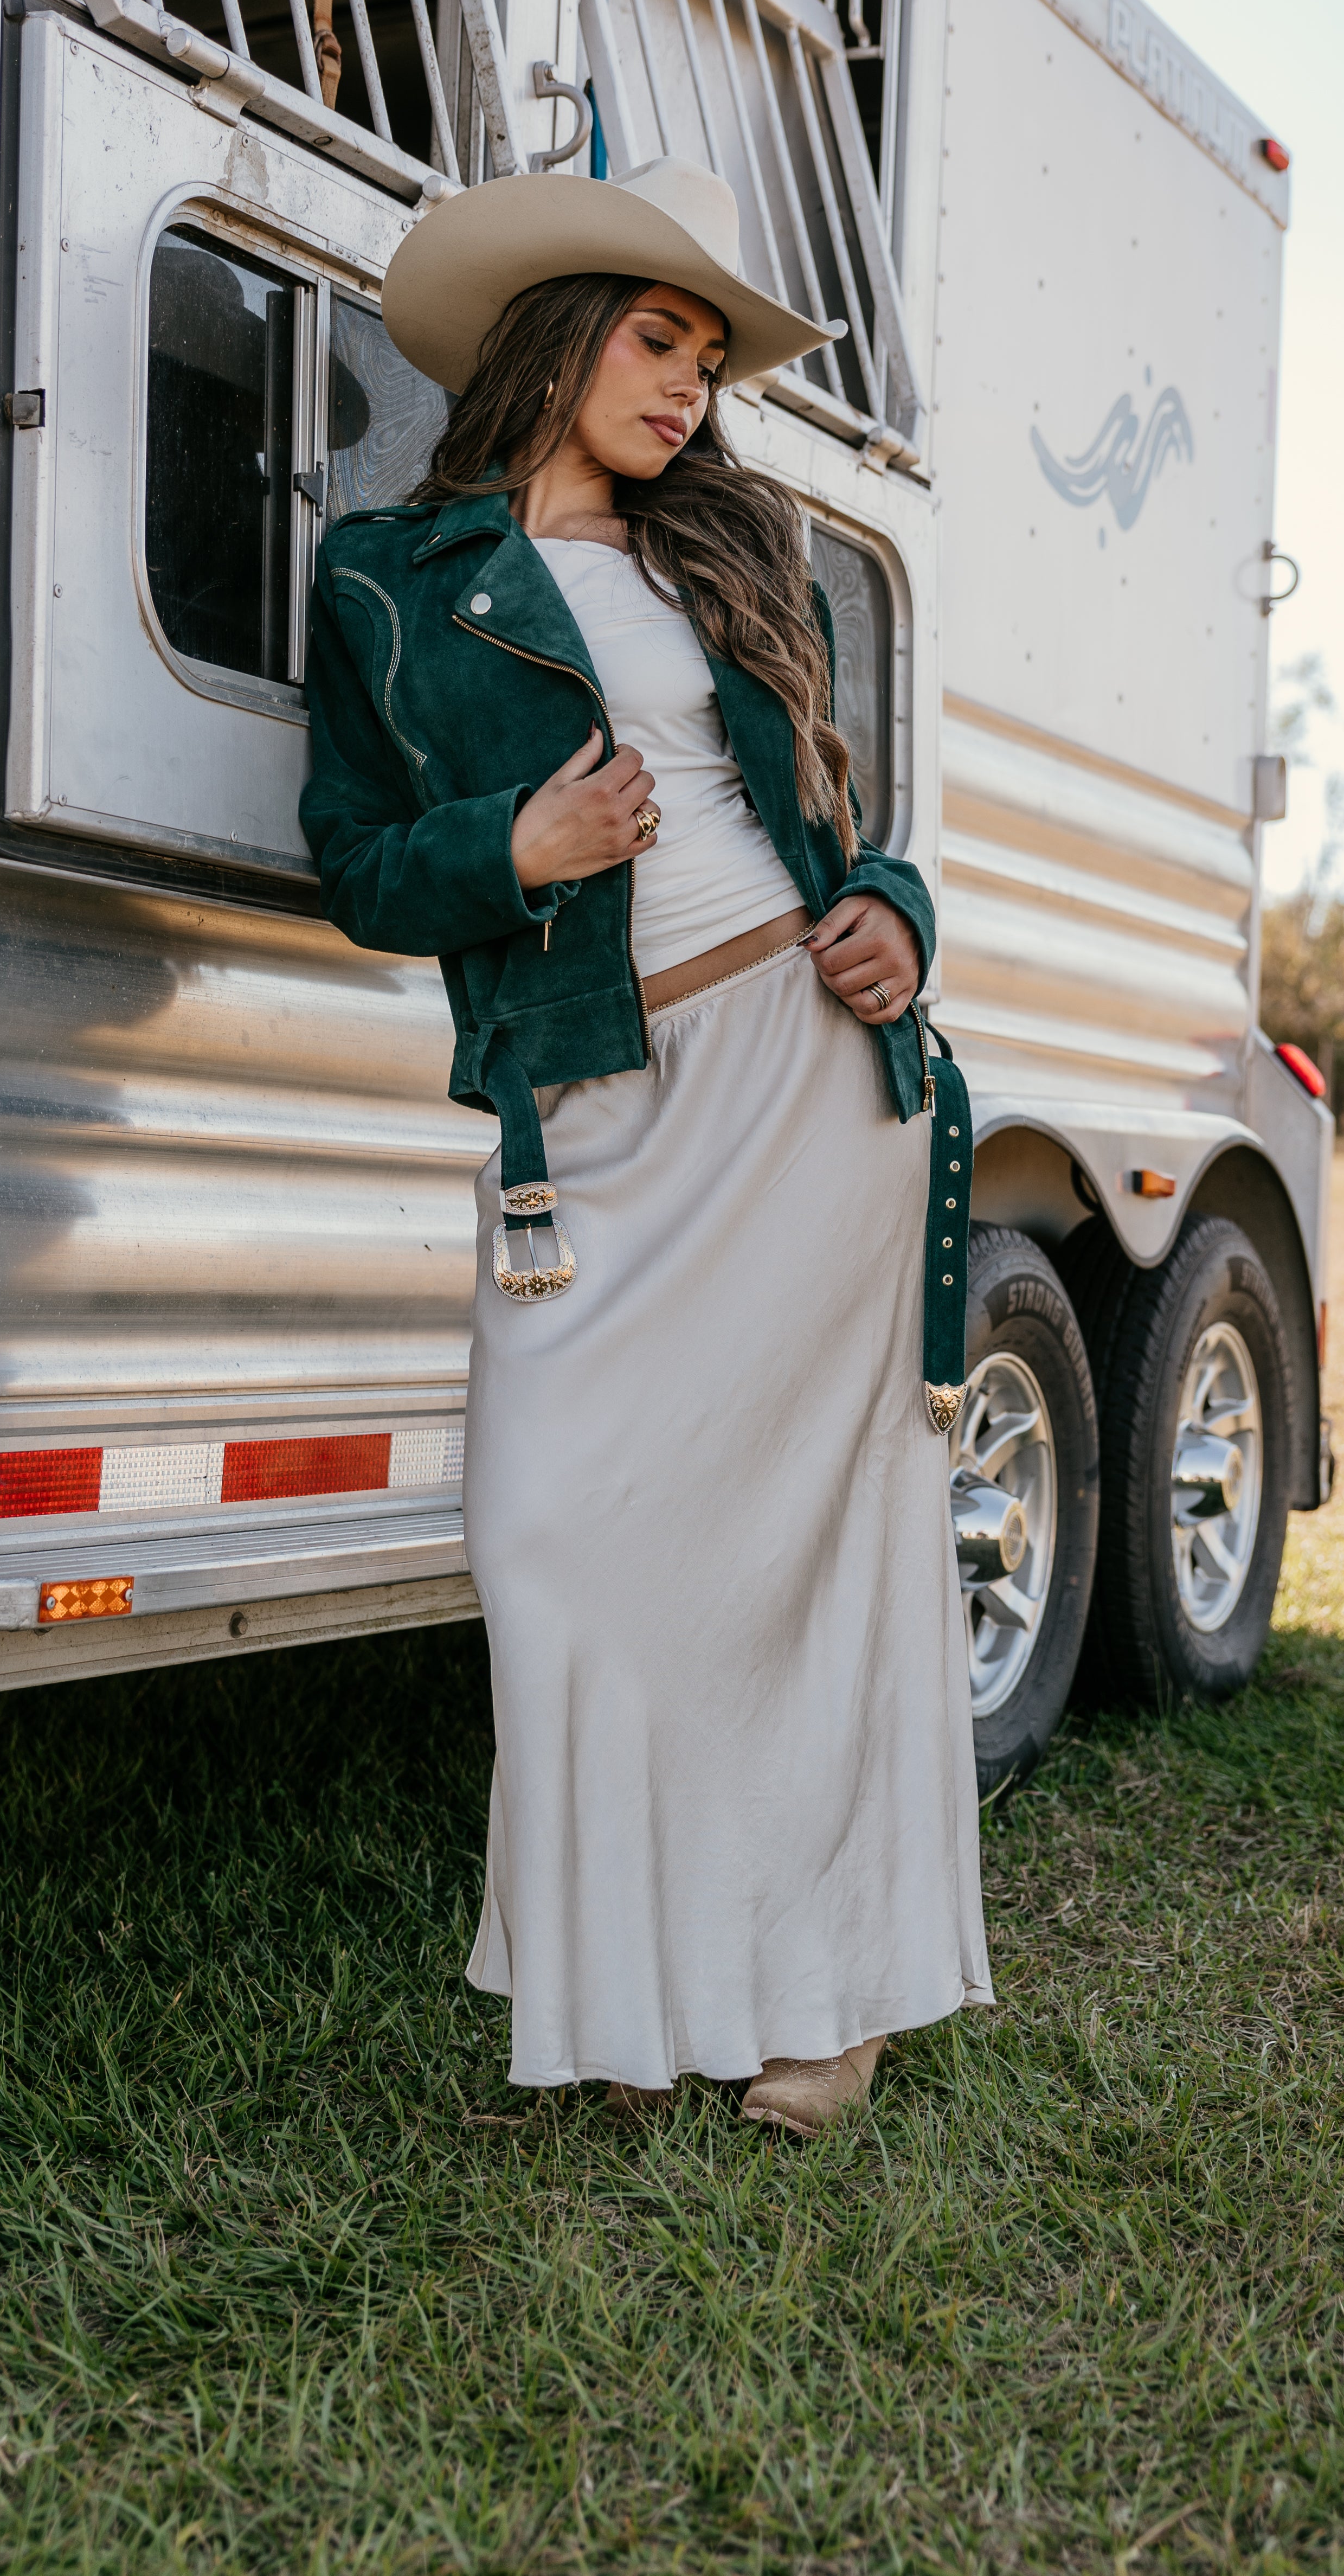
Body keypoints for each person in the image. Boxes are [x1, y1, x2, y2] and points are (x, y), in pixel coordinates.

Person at [300, 157, 991, 2135]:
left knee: (806, 1557)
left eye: (707, 360)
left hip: (804, 1080)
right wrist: (508, 852)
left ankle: (832, 2001)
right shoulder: (388, 574)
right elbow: (351, 859)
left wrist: (897, 919)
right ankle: (631, 1991)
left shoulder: (731, 556)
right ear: (555, 338)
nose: (688, 388)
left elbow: (843, 831)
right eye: (655, 339)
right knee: (558, 1542)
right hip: (585, 1093)